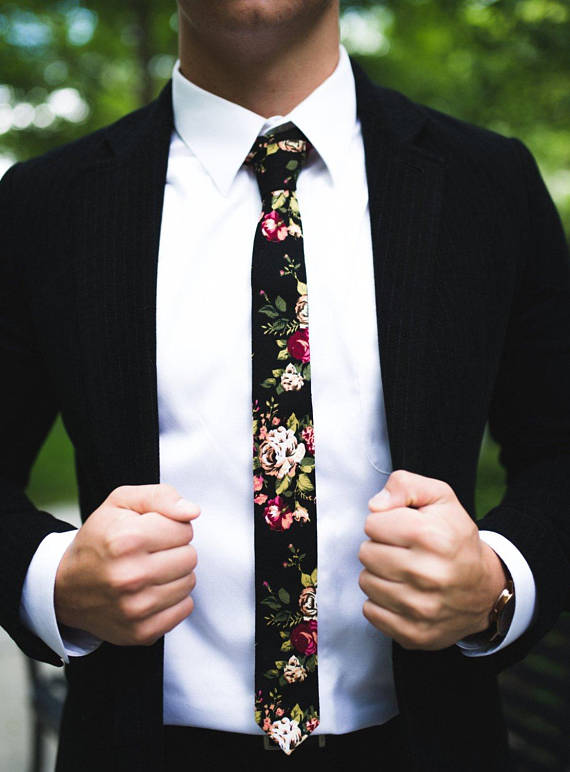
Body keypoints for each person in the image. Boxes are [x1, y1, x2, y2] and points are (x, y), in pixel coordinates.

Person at [1, 1, 568, 770]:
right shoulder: (42, 206)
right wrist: (50, 581)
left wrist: (500, 580)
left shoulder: (488, 184)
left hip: (428, 744)